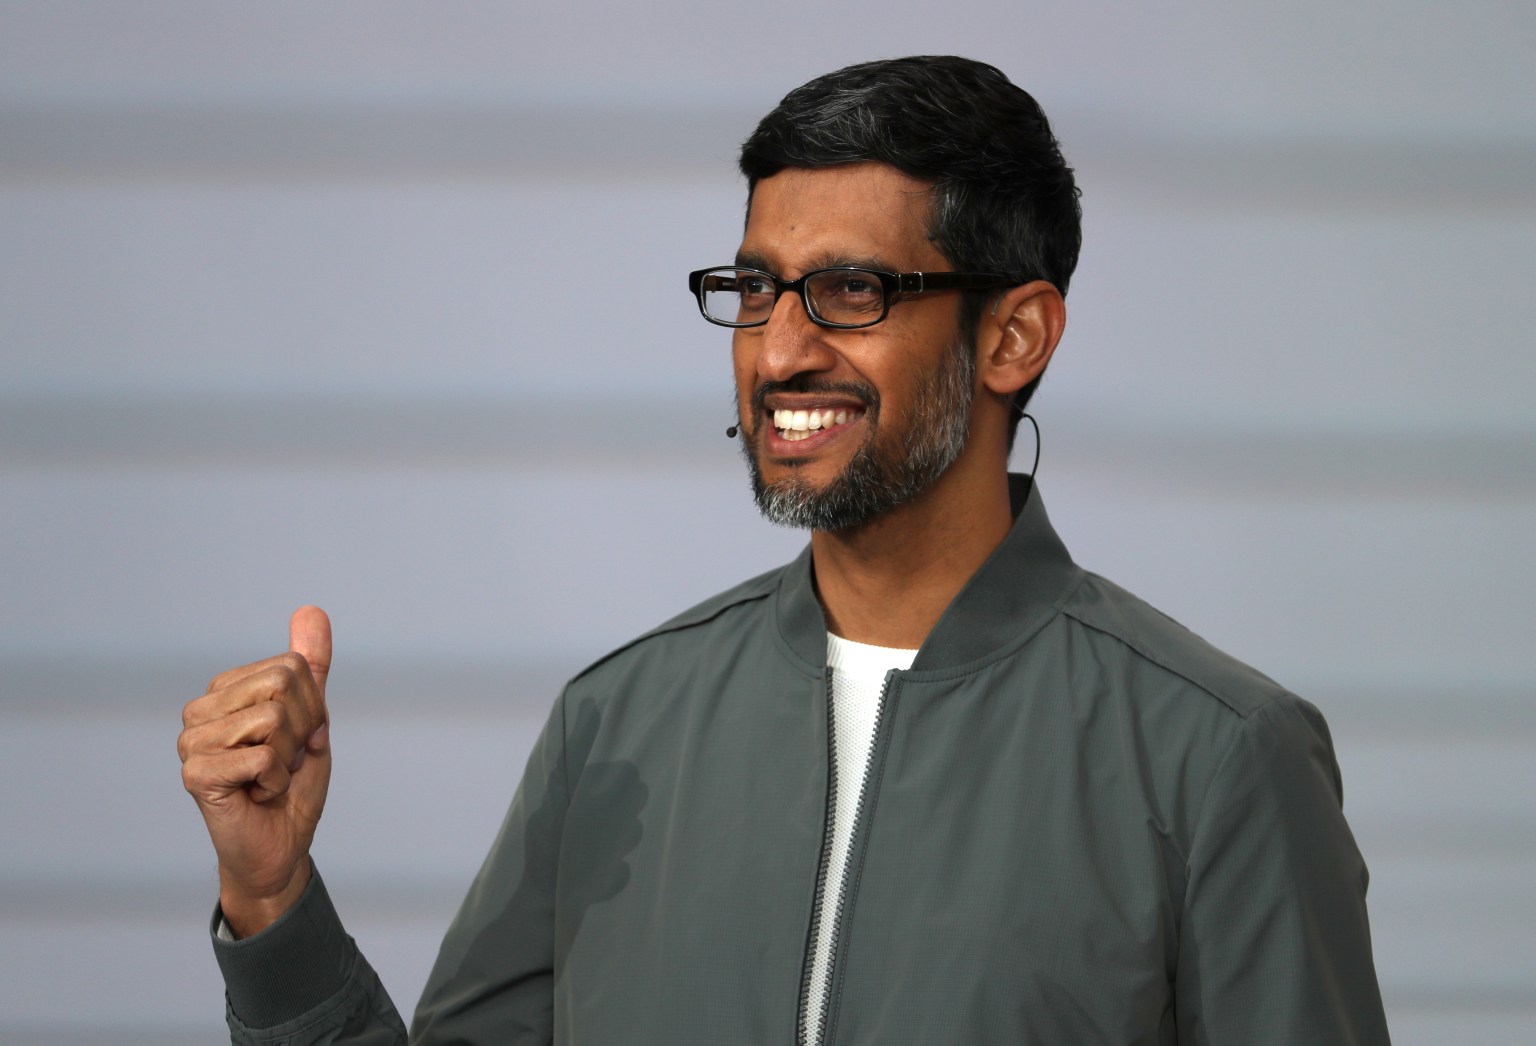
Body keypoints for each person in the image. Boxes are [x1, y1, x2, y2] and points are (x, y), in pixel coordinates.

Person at [178, 56, 1391, 1045]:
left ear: (1015, 334)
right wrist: (274, 900)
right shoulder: (620, 724)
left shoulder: (1217, 758)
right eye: (757, 291)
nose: (779, 351)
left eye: (850, 290)